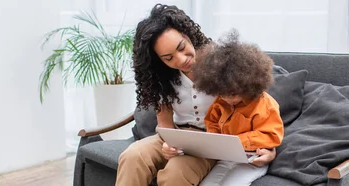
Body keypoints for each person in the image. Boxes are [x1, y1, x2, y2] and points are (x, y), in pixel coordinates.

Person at [115, 4, 216, 186]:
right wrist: (169, 144)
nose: (181, 60)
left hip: (211, 141)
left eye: (181, 47)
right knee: (132, 156)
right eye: (168, 58)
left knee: (175, 173)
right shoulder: (163, 77)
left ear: (188, 34)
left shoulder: (220, 63)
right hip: (177, 135)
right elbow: (166, 125)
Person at [193, 30, 284, 186]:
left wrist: (235, 142)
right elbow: (212, 121)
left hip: (253, 160)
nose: (229, 99)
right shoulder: (220, 103)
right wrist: (216, 140)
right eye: (223, 94)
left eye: (234, 94)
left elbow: (271, 135)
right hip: (226, 157)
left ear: (248, 84)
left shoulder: (265, 105)